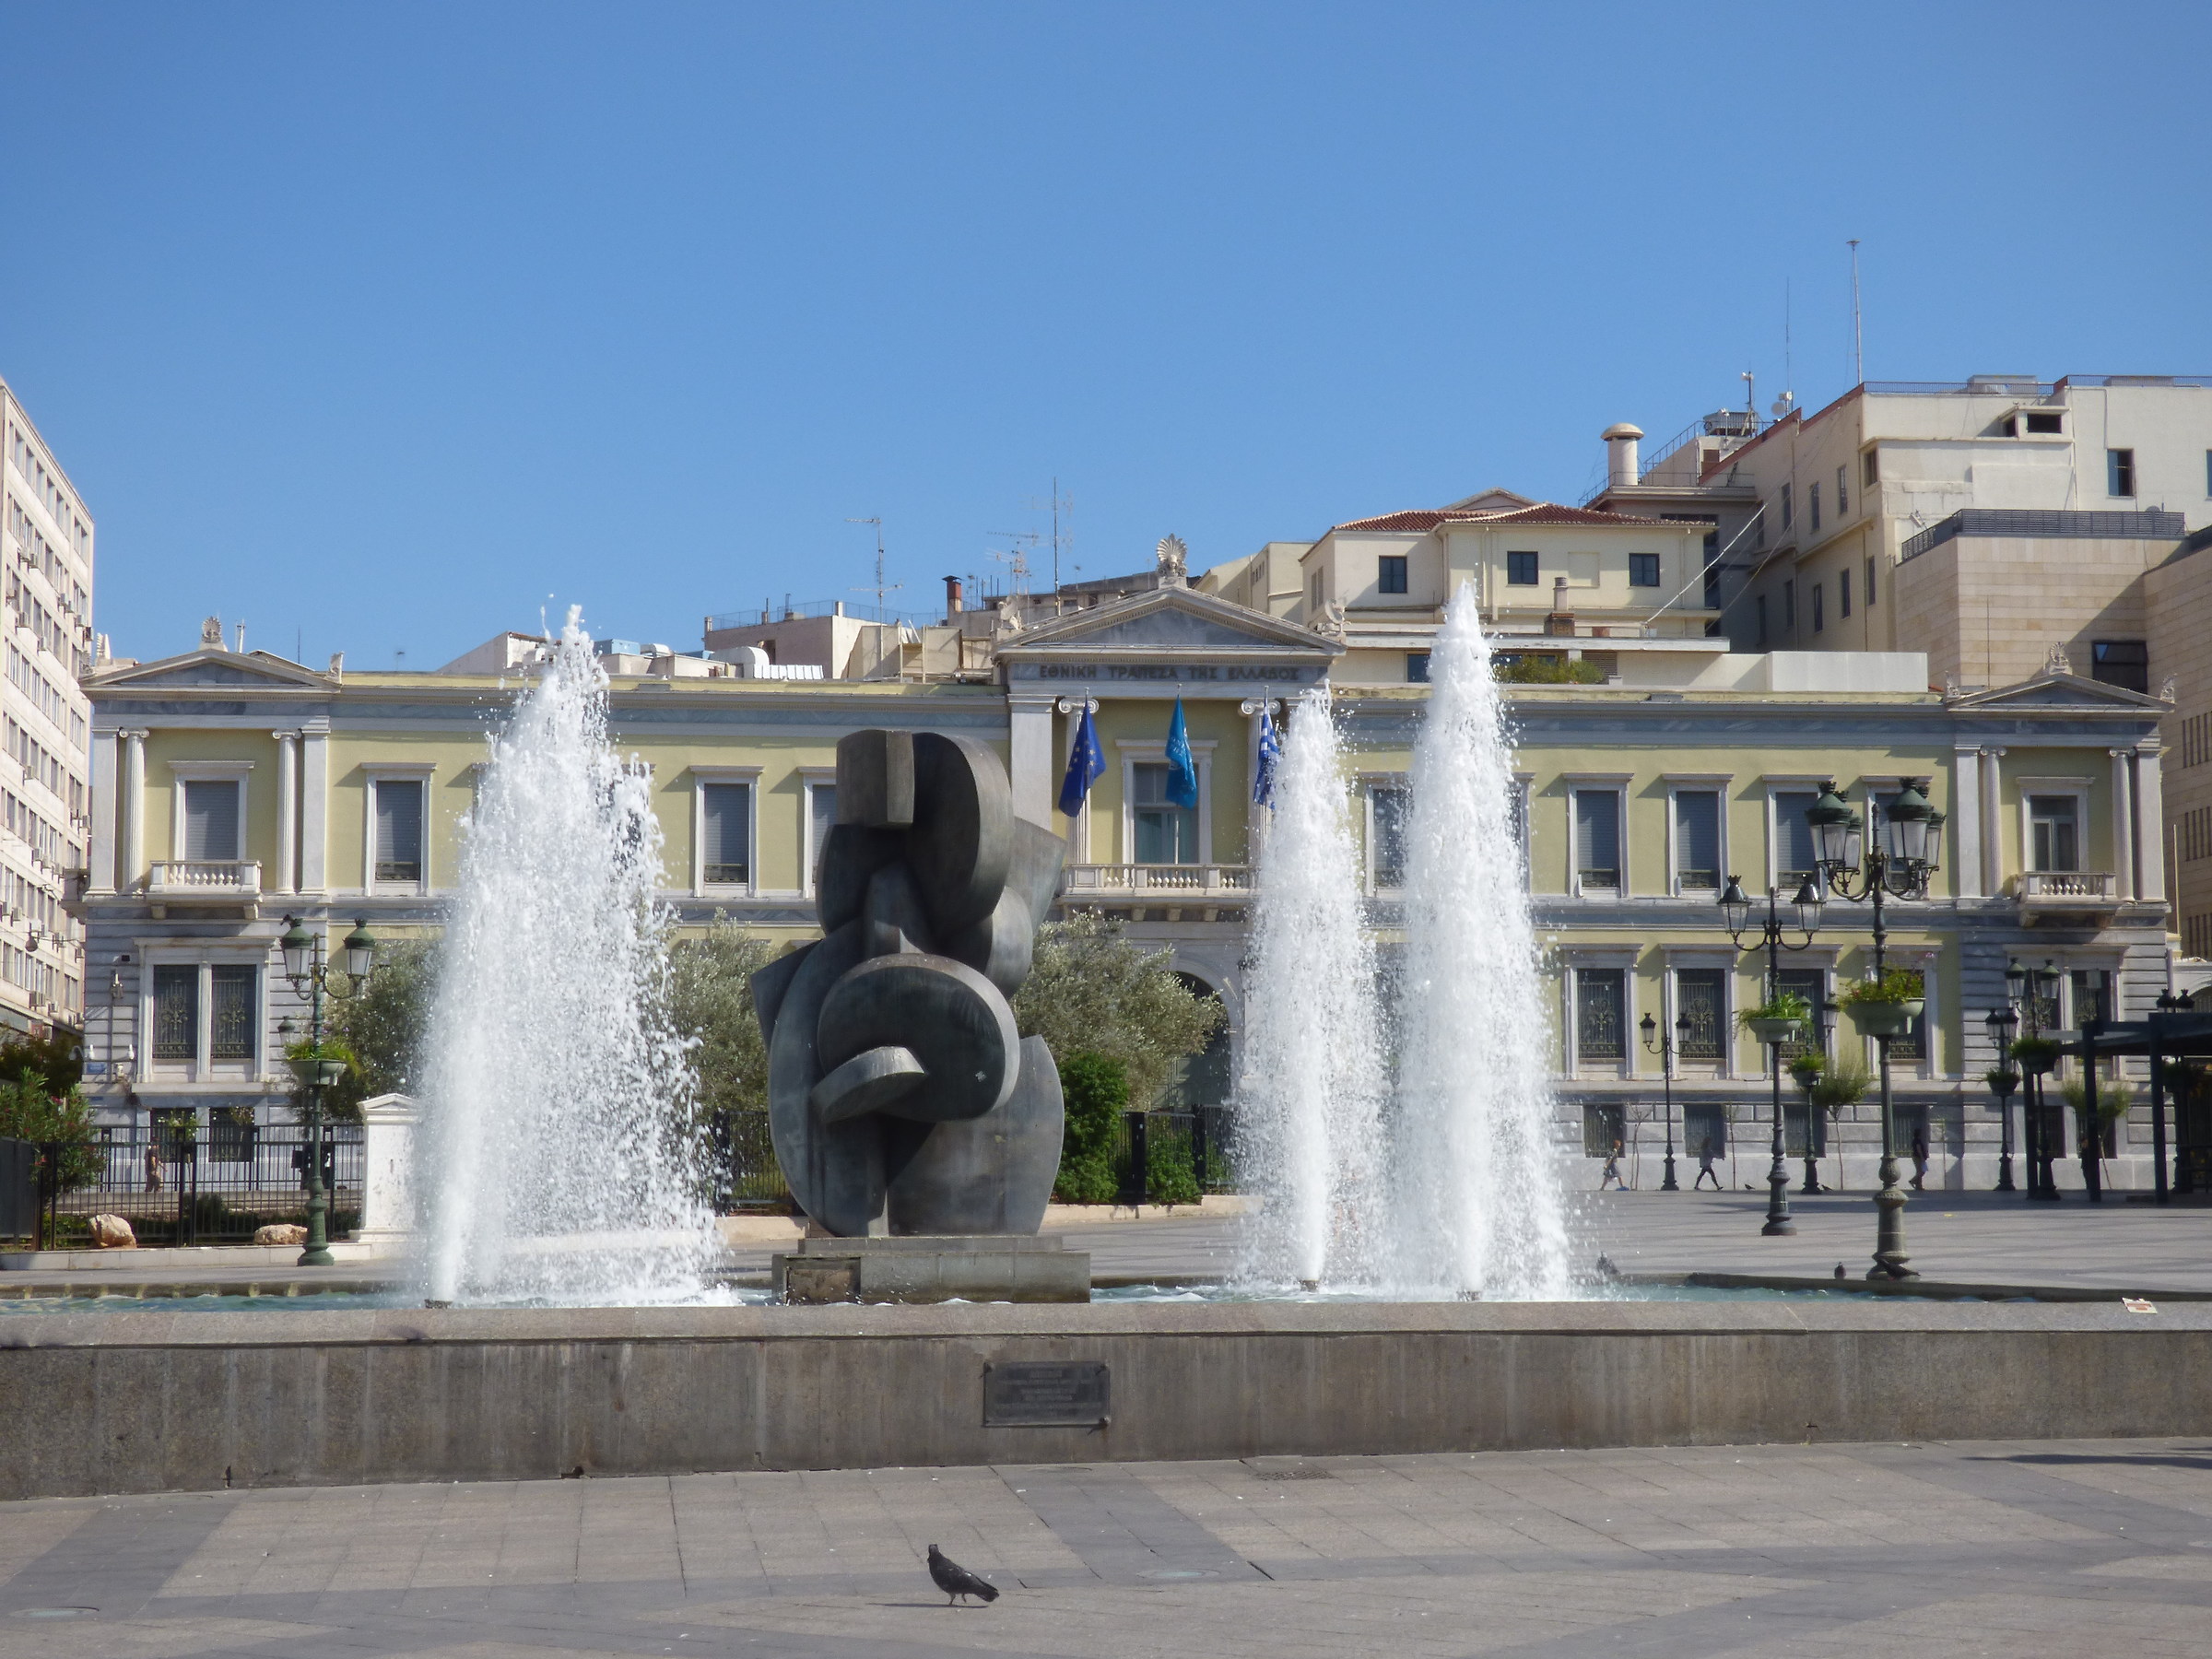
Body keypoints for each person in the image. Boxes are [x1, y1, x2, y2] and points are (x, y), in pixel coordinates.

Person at [1911, 1124, 1929, 1191]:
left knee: (1919, 1171)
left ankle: (1919, 1186)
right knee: (1921, 1172)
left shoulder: (1915, 1140)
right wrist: (1922, 1157)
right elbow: (1919, 1149)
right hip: (1917, 1157)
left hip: (1916, 1156)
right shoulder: (1917, 1141)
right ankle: (1912, 1181)